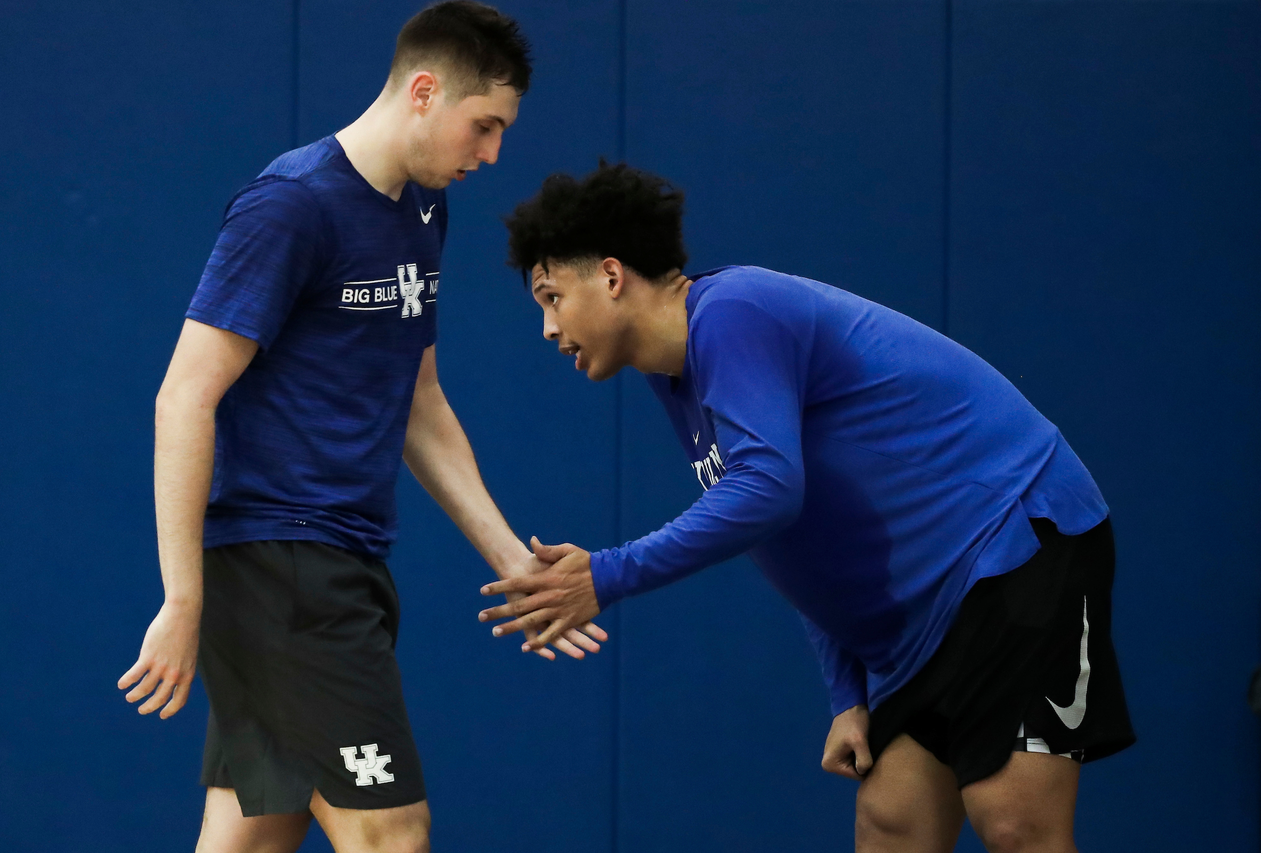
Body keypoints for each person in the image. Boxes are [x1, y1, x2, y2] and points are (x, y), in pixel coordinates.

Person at [479, 163, 1135, 852]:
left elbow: (767, 490)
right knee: (892, 824)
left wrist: (605, 574)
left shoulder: (733, 312)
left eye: (552, 296)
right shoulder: (673, 377)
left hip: (1015, 540)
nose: (549, 327)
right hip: (920, 619)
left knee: (1015, 825)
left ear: (611, 275)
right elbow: (791, 529)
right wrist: (846, 692)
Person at [116, 5, 605, 852]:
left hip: (346, 561)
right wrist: (182, 598)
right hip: (285, 572)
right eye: (483, 126)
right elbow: (183, 397)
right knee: (391, 832)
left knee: (254, 832)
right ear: (423, 91)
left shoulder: (423, 212)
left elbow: (419, 402)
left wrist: (515, 563)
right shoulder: (290, 206)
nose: (491, 154)